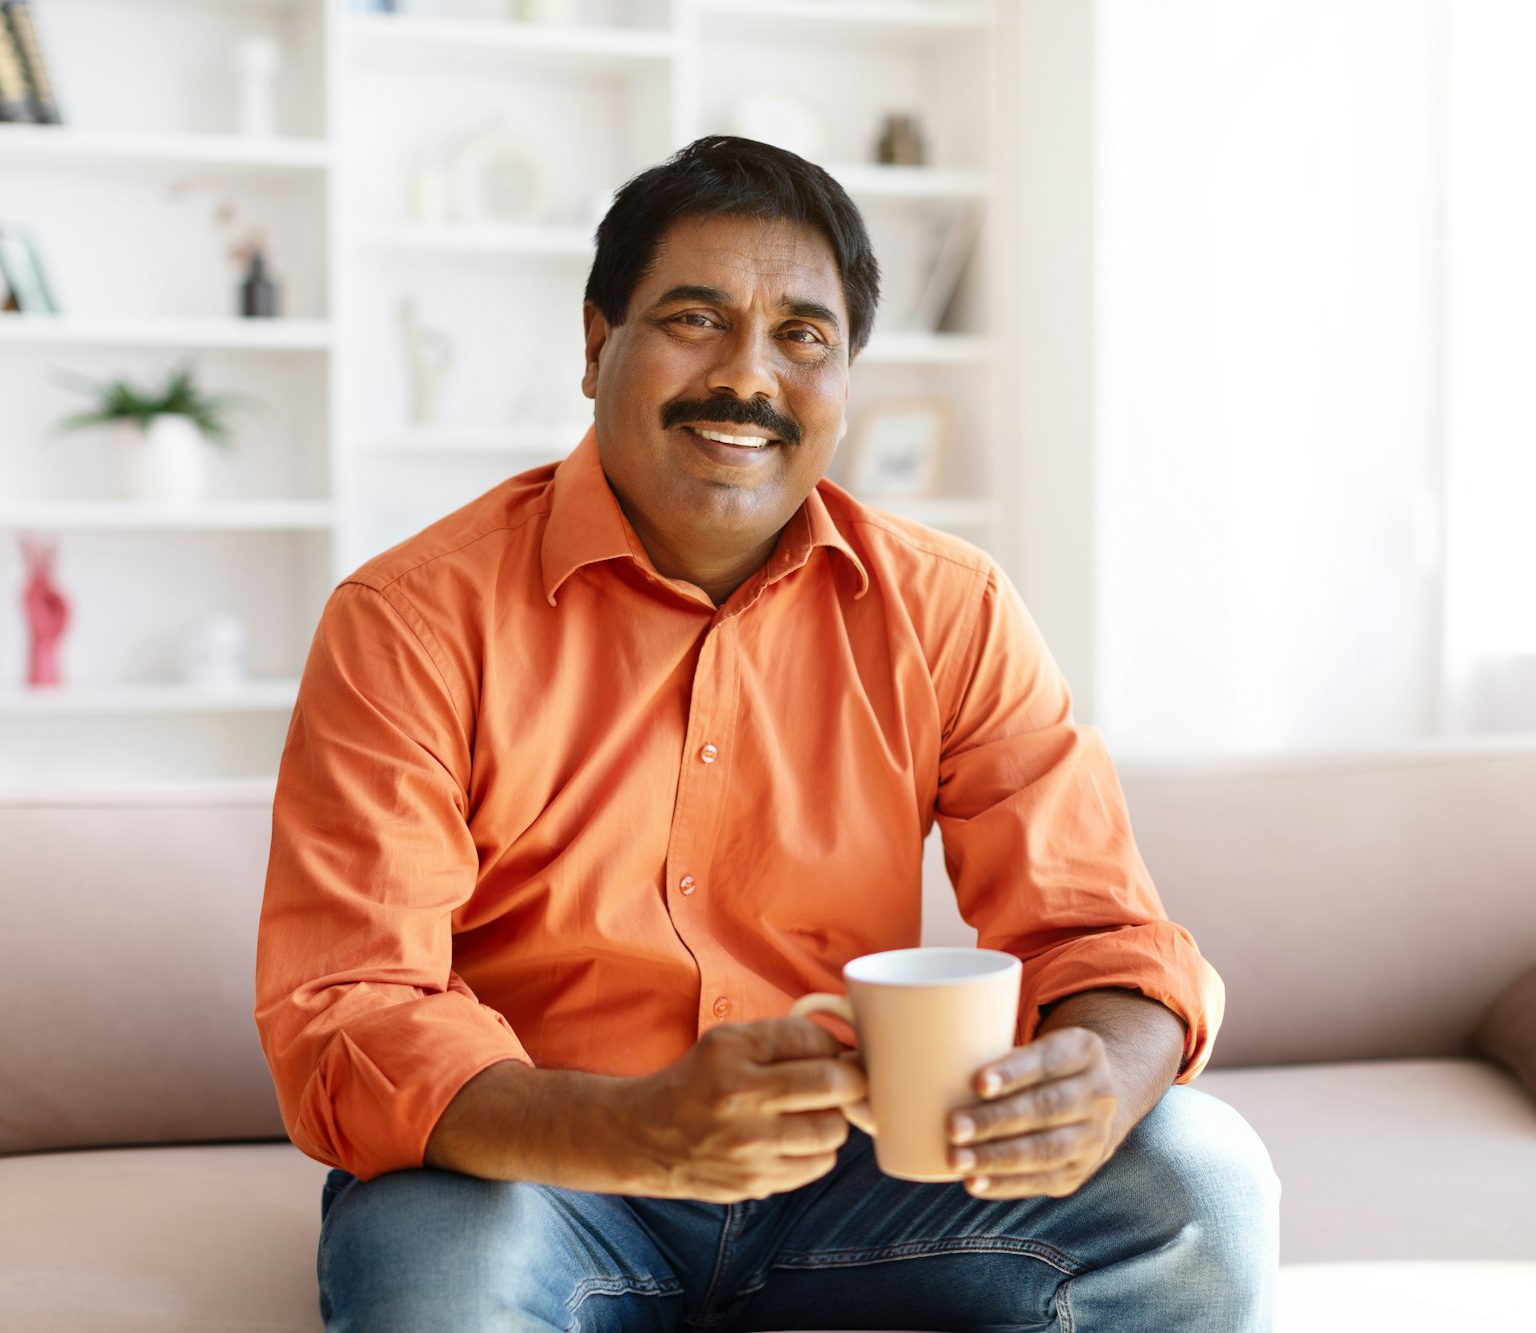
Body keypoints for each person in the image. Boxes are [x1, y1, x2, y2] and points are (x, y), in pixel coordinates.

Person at [255, 134, 1278, 1332]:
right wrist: (638, 1134)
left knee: (1199, 1178)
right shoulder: (409, 620)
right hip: (541, 1168)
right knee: (436, 1293)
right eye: (694, 319)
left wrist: (1103, 1071)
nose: (748, 377)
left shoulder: (949, 607)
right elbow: (351, 1012)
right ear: (597, 346)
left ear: (845, 379)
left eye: (803, 336)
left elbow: (1101, 933)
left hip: (861, 1178)